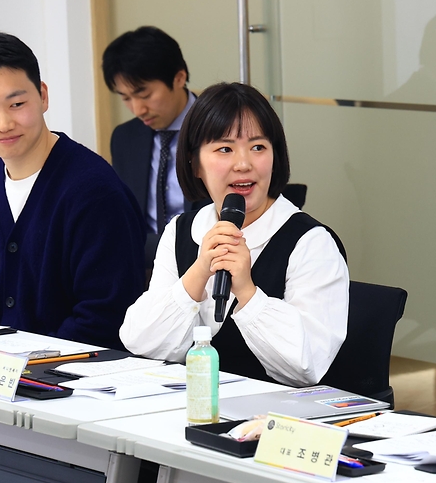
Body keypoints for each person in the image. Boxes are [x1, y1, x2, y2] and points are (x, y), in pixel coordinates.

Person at [119, 82, 349, 386]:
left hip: (274, 412)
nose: (244, 164)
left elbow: (307, 366)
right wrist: (199, 271)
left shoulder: (310, 242)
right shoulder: (180, 231)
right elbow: (141, 343)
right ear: (194, 163)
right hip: (193, 404)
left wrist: (247, 291)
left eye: (258, 147)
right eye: (225, 149)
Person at [0, 32, 146, 349]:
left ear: (43, 96)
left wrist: (21, 363)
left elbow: (105, 318)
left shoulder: (95, 191)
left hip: (76, 373)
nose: (3, 124)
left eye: (17, 104)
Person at [102, 26, 203, 267]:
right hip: (142, 268)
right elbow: (124, 218)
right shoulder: (125, 138)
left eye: (144, 94)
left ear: (179, 78)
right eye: (126, 98)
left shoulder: (222, 130)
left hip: (205, 264)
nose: (138, 109)